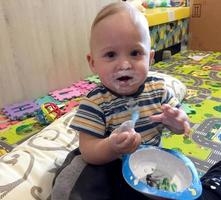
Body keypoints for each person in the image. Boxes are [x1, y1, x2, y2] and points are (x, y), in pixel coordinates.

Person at [52, 2, 192, 200]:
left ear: (150, 58)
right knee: (78, 183)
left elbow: (182, 126)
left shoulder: (159, 90)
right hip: (107, 164)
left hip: (144, 166)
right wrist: (111, 147)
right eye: (110, 55)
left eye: (135, 53)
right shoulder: (96, 102)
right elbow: (88, 150)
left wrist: (178, 122)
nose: (125, 64)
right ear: (93, 63)